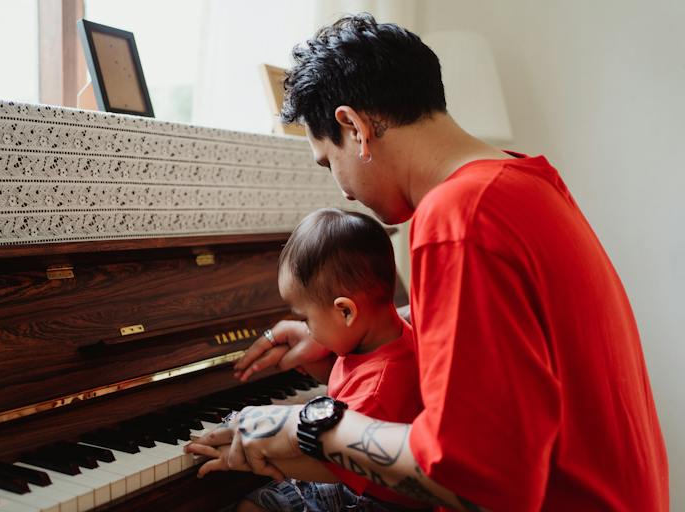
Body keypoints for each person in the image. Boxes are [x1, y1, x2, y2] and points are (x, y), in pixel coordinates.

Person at [186, 13, 669, 511]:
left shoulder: (459, 217)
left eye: (330, 163)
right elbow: (499, 342)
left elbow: (469, 478)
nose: (343, 188)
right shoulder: (525, 182)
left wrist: (306, 427)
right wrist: (352, 333)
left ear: (353, 127)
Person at [188, 207, 425, 512]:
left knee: (253, 507)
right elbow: (348, 385)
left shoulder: (378, 389)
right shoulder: (381, 339)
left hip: (370, 498)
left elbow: (332, 467)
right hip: (355, 476)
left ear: (345, 311)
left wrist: (255, 455)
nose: (306, 329)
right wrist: (319, 369)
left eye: (306, 318)